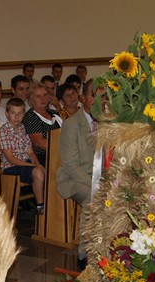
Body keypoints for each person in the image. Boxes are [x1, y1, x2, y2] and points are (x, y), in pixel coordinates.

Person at [57, 79, 98, 266]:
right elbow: (70, 165)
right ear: (83, 98)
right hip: (74, 178)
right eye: (93, 95)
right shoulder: (71, 124)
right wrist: (96, 185)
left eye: (103, 96)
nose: (98, 100)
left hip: (99, 176)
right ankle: (84, 255)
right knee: (93, 197)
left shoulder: (108, 123)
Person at [0, 98, 45, 214]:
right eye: (13, 113)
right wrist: (33, 166)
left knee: (47, 168)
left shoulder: (22, 128)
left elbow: (30, 152)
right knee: (38, 172)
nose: (17, 117)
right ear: (7, 114)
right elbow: (11, 159)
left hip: (24, 162)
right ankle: (40, 206)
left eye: (20, 113)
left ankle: (48, 202)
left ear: (24, 114)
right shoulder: (4, 131)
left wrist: (37, 164)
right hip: (10, 167)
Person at [23, 83, 62, 166]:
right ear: (31, 99)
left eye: (45, 95)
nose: (43, 98)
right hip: (43, 158)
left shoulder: (53, 112)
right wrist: (65, 147)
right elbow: (40, 143)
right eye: (38, 96)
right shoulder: (30, 117)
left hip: (61, 153)